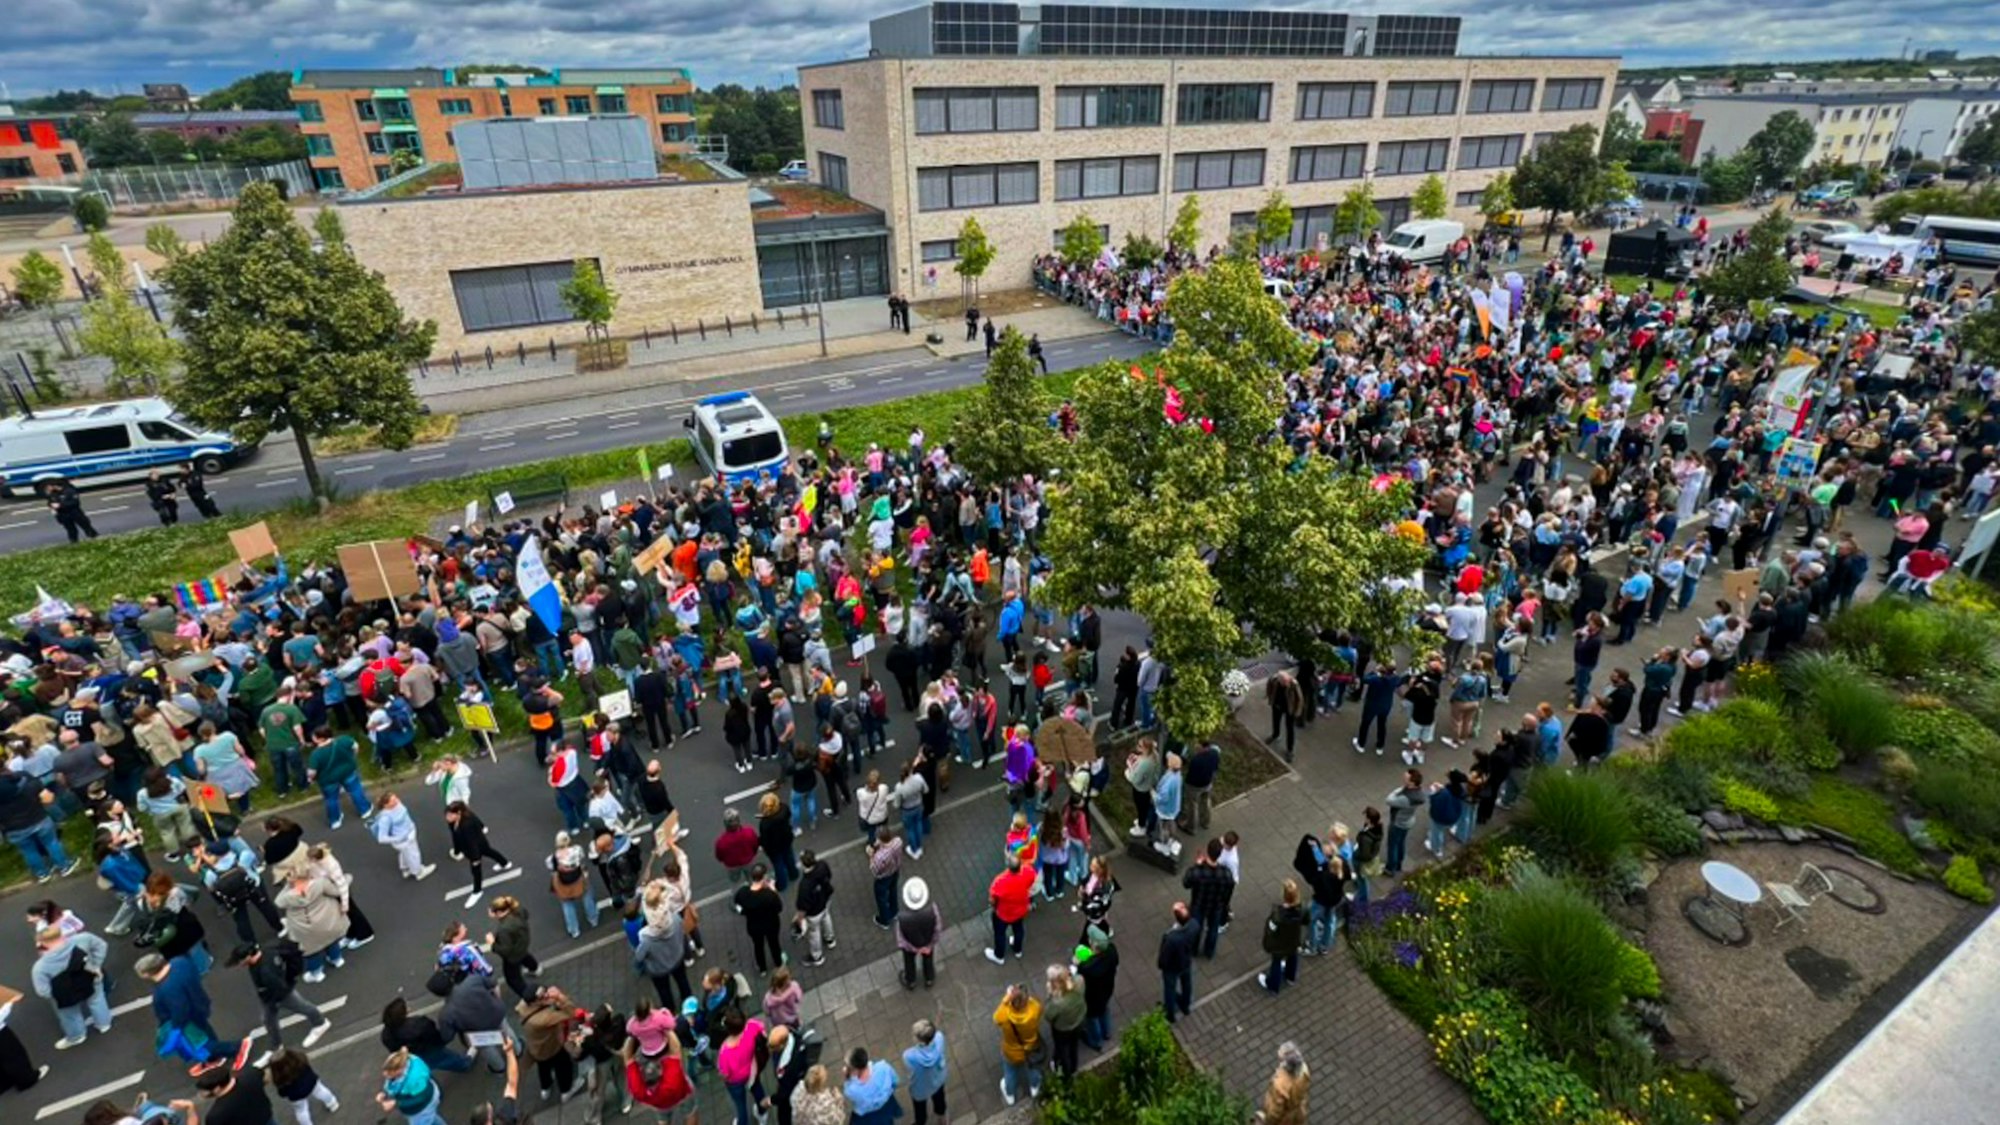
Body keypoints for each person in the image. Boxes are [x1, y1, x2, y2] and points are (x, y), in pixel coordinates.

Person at [227, 940, 333, 1064]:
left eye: (240, 961)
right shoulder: (267, 953)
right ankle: (275, 1046)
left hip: (279, 995)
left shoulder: (266, 971)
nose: (239, 964)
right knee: (268, 1019)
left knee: (303, 1007)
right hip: (275, 993)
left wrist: (273, 1002)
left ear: (249, 956)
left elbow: (277, 988)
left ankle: (320, 1023)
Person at [136, 950, 243, 1070]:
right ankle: (213, 1057)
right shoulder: (180, 962)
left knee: (198, 1043)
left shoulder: (168, 988)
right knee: (205, 1033)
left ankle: (236, 1048)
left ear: (148, 973)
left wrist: (176, 1030)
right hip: (199, 1004)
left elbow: (179, 1010)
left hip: (188, 1019)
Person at [30, 922, 111, 1048]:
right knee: (97, 1000)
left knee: (69, 1015)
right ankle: (104, 1024)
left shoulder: (40, 967)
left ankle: (77, 1036)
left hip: (65, 994)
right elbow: (101, 946)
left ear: (42, 943)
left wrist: (55, 994)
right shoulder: (83, 938)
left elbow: (42, 991)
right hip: (89, 978)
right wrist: (95, 965)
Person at [518, 985, 582, 1100]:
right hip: (552, 1047)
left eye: (545, 992)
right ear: (534, 1003)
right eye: (541, 997)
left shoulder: (523, 1006)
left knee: (543, 1067)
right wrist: (560, 997)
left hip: (536, 1048)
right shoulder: (544, 1018)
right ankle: (566, 1091)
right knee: (563, 1067)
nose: (546, 996)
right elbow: (571, 1013)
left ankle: (545, 1088)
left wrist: (546, 1002)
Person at [447, 801, 513, 910]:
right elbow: (456, 837)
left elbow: (471, 843)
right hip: (476, 844)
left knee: (476, 870)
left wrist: (475, 859)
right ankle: (505, 863)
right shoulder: (454, 821)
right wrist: (457, 851)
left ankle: (477, 891)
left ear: (458, 813)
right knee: (489, 852)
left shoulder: (466, 825)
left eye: (450, 814)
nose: (447, 817)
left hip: (475, 847)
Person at [621, 1031, 693, 1125]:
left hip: (660, 1105)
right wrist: (664, 1027)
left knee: (663, 1119)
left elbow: (627, 1057)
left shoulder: (638, 1091)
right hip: (682, 1095)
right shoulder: (672, 1083)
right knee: (690, 1113)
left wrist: (632, 1035)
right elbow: (676, 1048)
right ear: (660, 1073)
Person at [306, 727, 371, 830]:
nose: (312, 738)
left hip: (328, 780)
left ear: (321, 739)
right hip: (348, 771)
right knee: (355, 790)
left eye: (314, 737)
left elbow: (312, 772)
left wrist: (310, 779)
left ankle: (335, 820)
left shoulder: (316, 754)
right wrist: (351, 758)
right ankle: (365, 810)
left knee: (331, 799)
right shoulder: (343, 740)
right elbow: (355, 746)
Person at [1181, 838, 1234, 960]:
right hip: (1216, 906)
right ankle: (1209, 952)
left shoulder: (1197, 872)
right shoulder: (1226, 873)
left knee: (1196, 928)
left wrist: (1196, 865)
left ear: (1207, 851)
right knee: (1213, 929)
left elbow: (1186, 883)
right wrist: (1224, 904)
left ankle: (1193, 950)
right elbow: (1229, 890)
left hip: (1198, 904)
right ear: (1220, 854)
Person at [992, 983, 1043, 1106]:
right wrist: (1025, 998)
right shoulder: (1034, 1008)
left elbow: (995, 1018)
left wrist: (1006, 999)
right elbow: (1038, 1008)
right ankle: (1034, 1086)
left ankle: (1010, 1094)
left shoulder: (1005, 1014)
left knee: (1010, 1071)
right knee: (1032, 1067)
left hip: (1011, 1051)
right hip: (1030, 1048)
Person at [732, 862, 786, 973]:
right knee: (774, 943)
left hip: (754, 926)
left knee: (758, 946)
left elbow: (738, 907)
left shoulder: (742, 893)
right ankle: (778, 963)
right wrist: (773, 890)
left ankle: (762, 968)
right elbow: (779, 908)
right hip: (771, 924)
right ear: (764, 877)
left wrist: (746, 912)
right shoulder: (769, 895)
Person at [1258, 880, 1309, 996]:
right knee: (1293, 956)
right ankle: (1290, 977)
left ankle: (1273, 985)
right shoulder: (1302, 909)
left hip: (1279, 944)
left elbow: (1270, 930)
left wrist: (1267, 944)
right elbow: (1306, 921)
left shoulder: (1277, 914)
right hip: (1294, 940)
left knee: (1276, 963)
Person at [369, 792, 434, 882]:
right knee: (414, 855)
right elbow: (381, 838)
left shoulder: (397, 805)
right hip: (404, 840)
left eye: (396, 798)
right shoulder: (385, 818)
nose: (397, 800)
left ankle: (405, 868)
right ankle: (418, 872)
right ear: (386, 805)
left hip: (408, 834)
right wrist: (398, 838)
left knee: (405, 853)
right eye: (393, 800)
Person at [487, 896, 541, 1002]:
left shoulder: (504, 929)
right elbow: (526, 914)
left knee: (513, 979)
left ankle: (528, 996)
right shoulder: (518, 911)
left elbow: (505, 950)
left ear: (498, 913)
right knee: (525, 956)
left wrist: (492, 943)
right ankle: (535, 968)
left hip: (513, 956)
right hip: (522, 943)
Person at [1074, 928, 1119, 1050]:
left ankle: (1096, 1042)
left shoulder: (1086, 967)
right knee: (1104, 1010)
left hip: (1092, 998)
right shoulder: (1112, 951)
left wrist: (1077, 963)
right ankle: (1107, 1033)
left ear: (1093, 945)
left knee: (1092, 1019)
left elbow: (1079, 979)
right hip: (1107, 991)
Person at [985, 853, 1034, 964]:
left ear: (1008, 865)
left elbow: (992, 899)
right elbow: (1031, 882)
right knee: (1018, 929)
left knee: (1000, 934)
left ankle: (999, 956)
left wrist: (993, 907)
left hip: (1003, 913)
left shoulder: (1000, 881)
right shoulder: (1028, 871)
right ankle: (1018, 950)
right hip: (1021, 909)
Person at [1156, 901, 1199, 1025]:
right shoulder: (1194, 925)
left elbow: (1164, 958)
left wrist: (1161, 966)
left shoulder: (1171, 938)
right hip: (1186, 962)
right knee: (1187, 983)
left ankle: (1170, 1014)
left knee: (1169, 989)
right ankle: (1185, 1006)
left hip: (1172, 968)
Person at [793, 848, 836, 967]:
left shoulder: (804, 885)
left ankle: (817, 956)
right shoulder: (822, 865)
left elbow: (803, 906)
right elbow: (829, 876)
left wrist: (798, 919)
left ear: (803, 864)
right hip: (825, 900)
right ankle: (830, 939)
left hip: (814, 912)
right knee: (827, 917)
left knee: (814, 932)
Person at [376, 1048, 443, 1125]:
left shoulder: (415, 1078)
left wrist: (396, 1103)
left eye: (389, 1074)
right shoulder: (399, 1062)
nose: (386, 1076)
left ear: (399, 1070)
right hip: (417, 1105)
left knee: (426, 1119)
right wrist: (385, 1092)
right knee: (432, 1119)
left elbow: (421, 1098)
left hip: (422, 1107)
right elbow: (391, 1082)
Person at [902, 1018, 948, 1125]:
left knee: (920, 1109)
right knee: (940, 1099)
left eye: (914, 1035)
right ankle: (942, 1120)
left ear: (920, 1041)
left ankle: (921, 1122)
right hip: (938, 1079)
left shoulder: (909, 1056)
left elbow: (909, 1070)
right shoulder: (939, 1038)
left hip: (920, 1088)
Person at [1043, 965, 1086, 1078]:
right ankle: (1074, 1067)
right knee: (1074, 1045)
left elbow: (1048, 1015)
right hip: (1079, 1020)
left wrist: (1050, 995)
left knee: (1062, 1049)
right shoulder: (1079, 981)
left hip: (1063, 1029)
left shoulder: (1057, 1002)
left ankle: (1066, 1073)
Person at [1255, 1042, 1311, 1125]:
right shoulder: (1304, 1070)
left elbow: (1275, 1112)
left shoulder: (1280, 1085)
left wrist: (1267, 1122)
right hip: (1297, 1113)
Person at [1383, 770, 1424, 877]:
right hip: (1408, 821)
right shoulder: (1418, 792)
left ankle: (1390, 868)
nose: (1403, 779)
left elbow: (1389, 800)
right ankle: (1399, 862)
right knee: (1400, 842)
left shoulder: (1405, 798)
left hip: (1398, 823)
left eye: (1406, 778)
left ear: (1412, 783)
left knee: (1392, 845)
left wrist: (1398, 790)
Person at [866, 825, 903, 928]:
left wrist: (871, 855)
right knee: (893, 890)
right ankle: (894, 911)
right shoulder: (898, 841)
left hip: (883, 878)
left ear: (880, 839)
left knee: (881, 898)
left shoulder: (880, 856)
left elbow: (874, 870)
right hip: (895, 871)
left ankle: (884, 920)